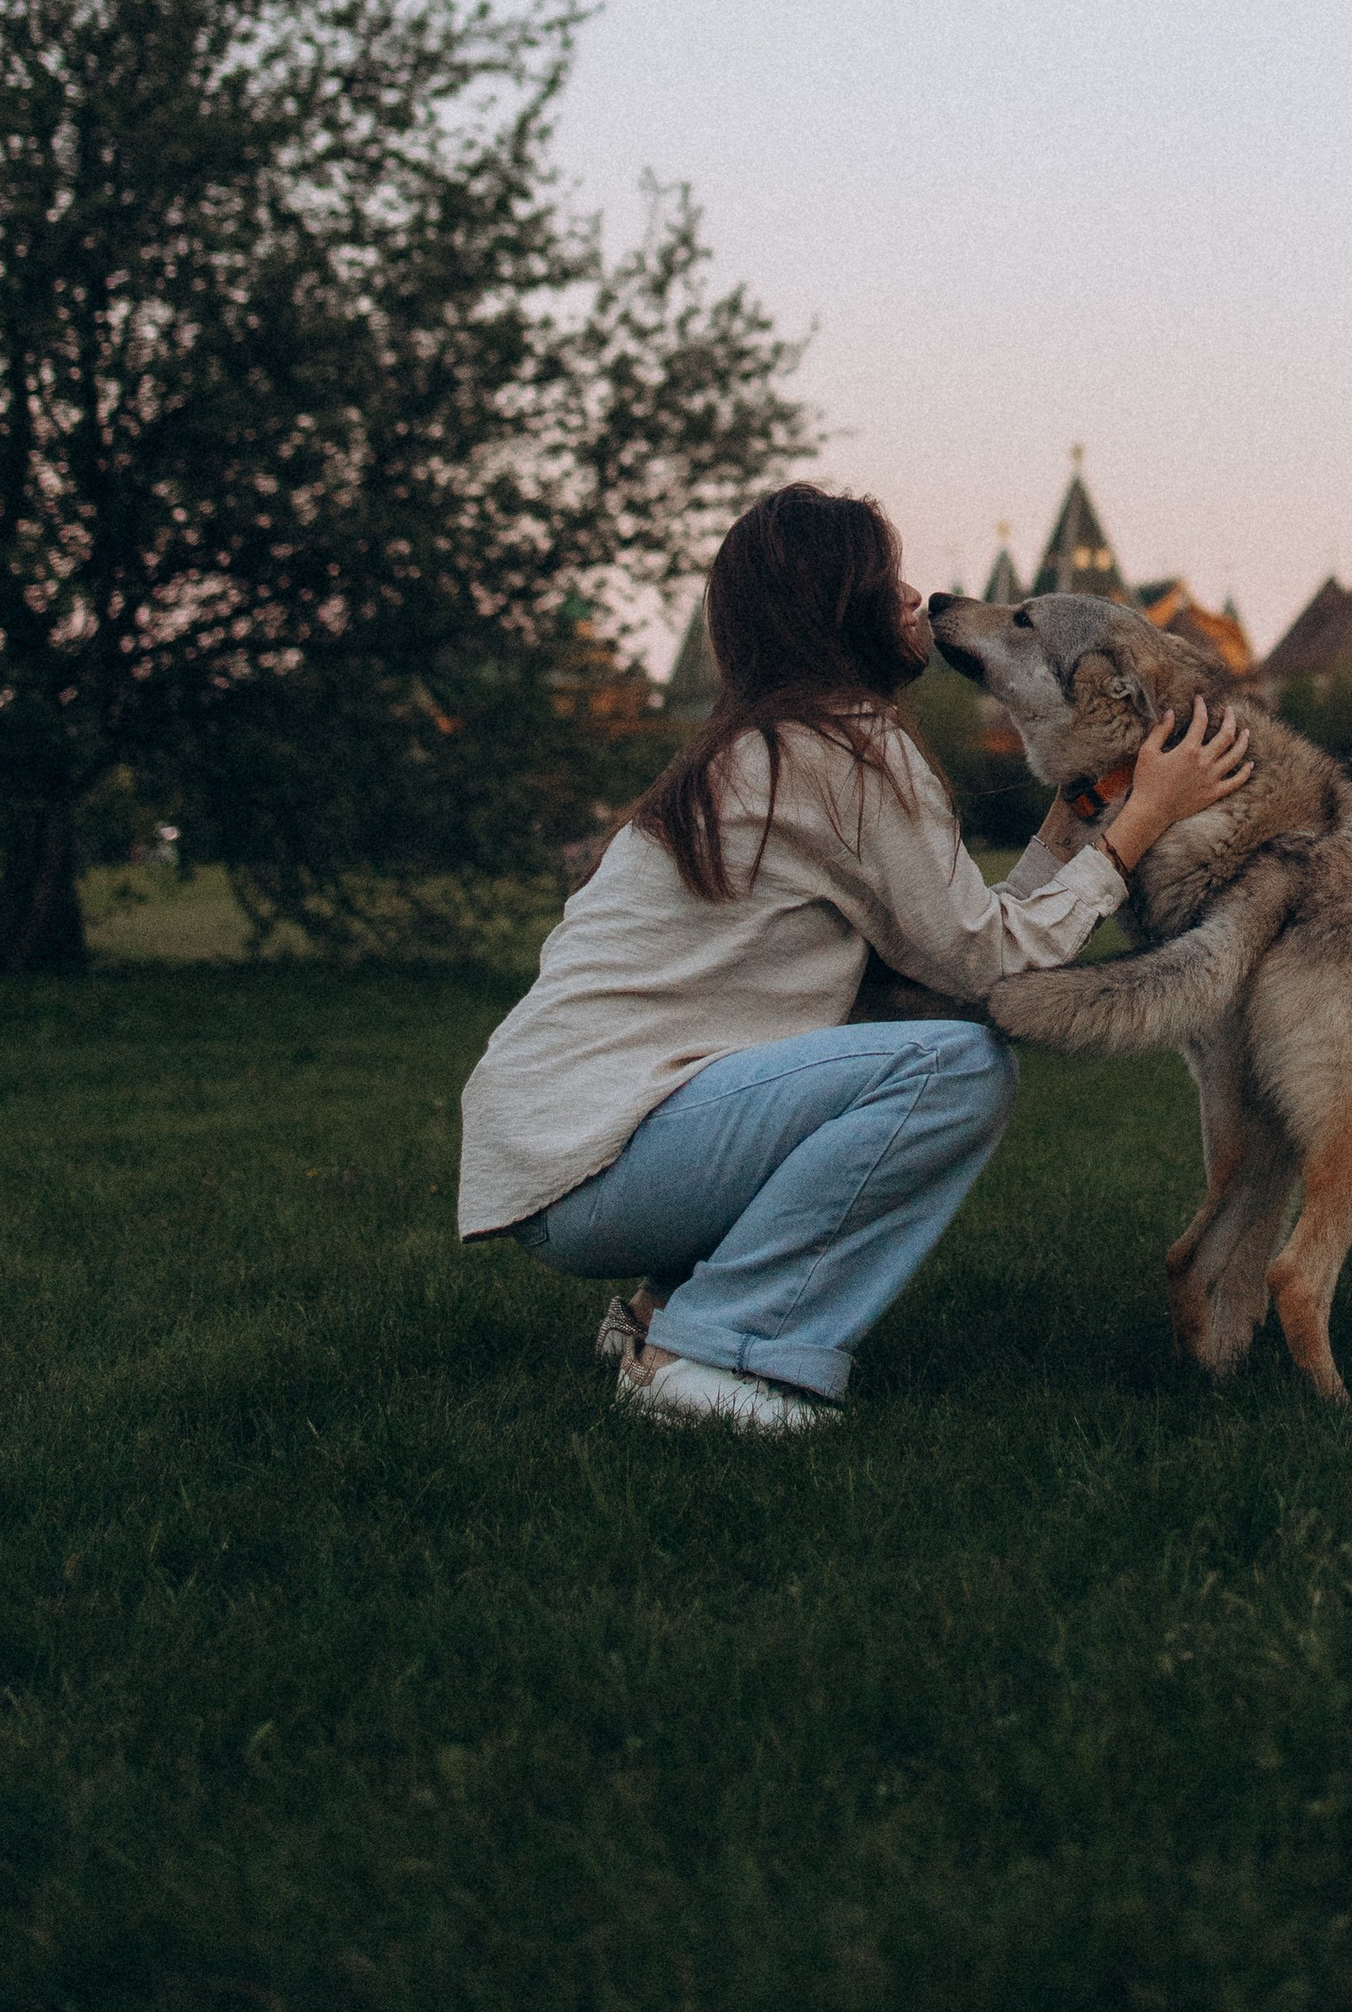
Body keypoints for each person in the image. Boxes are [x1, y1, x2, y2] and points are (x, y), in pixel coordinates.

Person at [458, 481, 1251, 1432]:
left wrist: (1083, 813)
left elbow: (959, 939)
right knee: (954, 1070)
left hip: (563, 1158)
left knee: (890, 1034)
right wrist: (1145, 821)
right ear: (839, 608)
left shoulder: (767, 746)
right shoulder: (842, 751)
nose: (916, 597)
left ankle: (654, 1316)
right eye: (891, 581)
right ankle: (706, 1355)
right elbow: (993, 970)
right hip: (597, 1167)